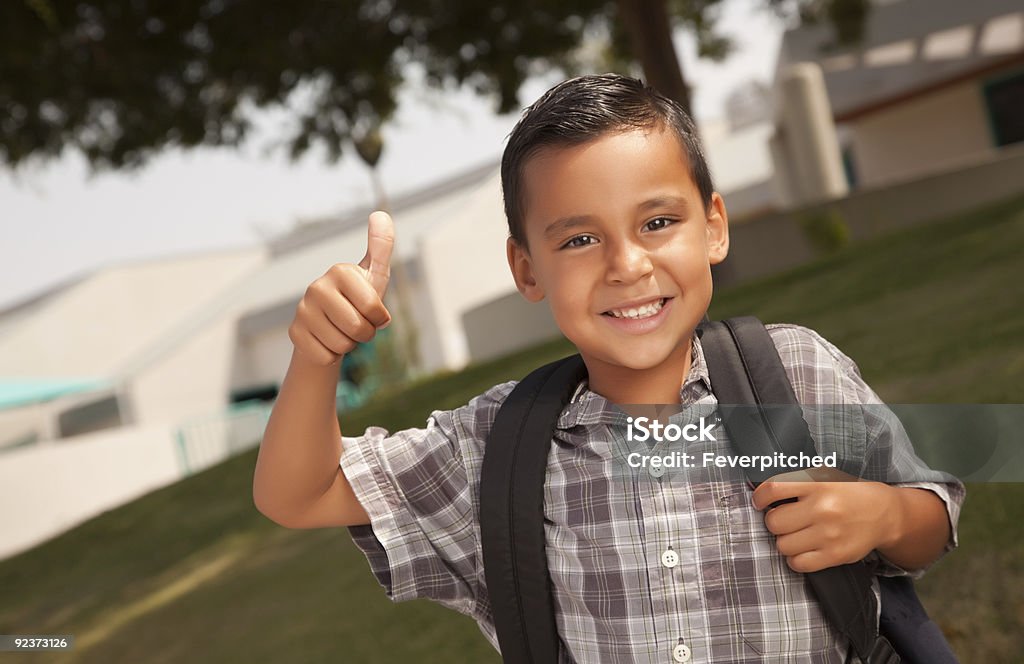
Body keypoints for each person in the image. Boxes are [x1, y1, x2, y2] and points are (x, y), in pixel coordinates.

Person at [252, 74, 964, 662]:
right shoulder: (497, 445)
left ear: (713, 225)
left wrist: (885, 514)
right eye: (582, 239)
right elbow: (300, 494)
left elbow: (931, 514)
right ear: (526, 269)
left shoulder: (795, 371)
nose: (627, 266)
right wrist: (317, 357)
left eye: (657, 223)